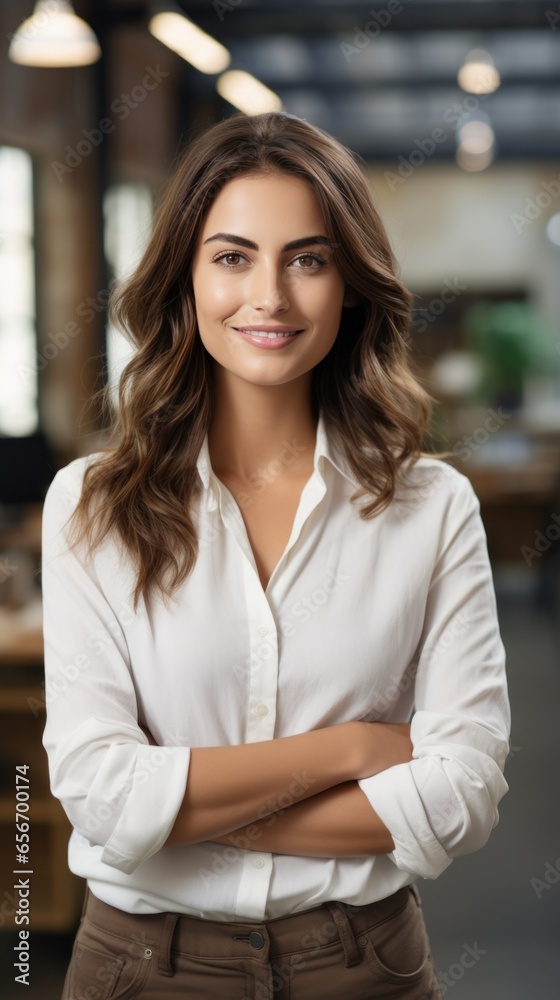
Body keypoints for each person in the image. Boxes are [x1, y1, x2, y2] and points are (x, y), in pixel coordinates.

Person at [41, 110, 510, 1000]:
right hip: (142, 970)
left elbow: (463, 793)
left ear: (351, 285)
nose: (270, 297)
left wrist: (175, 812)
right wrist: (354, 747)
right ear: (184, 278)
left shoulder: (432, 509)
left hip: (364, 967)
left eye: (308, 258)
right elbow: (98, 789)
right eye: (231, 257)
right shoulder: (91, 506)